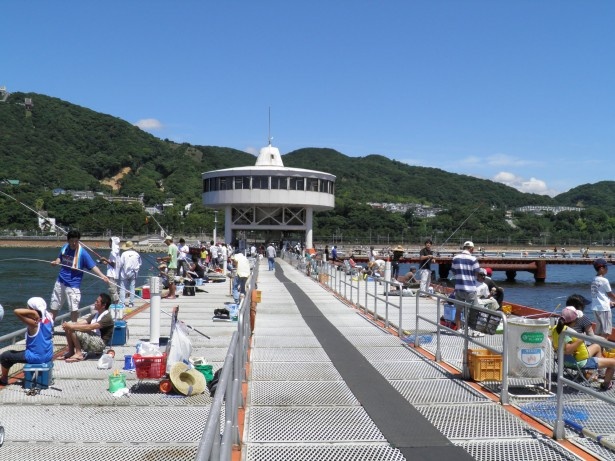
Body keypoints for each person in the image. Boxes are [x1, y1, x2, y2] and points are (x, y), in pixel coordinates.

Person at [50, 229, 109, 322]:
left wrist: (103, 276)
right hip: (60, 281)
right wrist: (56, 262)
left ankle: (73, 327)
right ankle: (50, 327)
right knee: (54, 305)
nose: (74, 243)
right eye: (72, 241)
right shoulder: (65, 247)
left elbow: (93, 266)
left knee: (73, 308)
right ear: (68, 240)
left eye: (76, 241)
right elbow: (60, 258)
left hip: (73, 285)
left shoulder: (83, 253)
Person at [551, 306, 614, 391]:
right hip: (578, 362)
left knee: (597, 346)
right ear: (574, 321)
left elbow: (556, 346)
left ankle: (595, 373)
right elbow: (568, 350)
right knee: (613, 362)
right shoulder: (567, 332)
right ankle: (606, 385)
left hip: (563, 361)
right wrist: (581, 339)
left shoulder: (556, 329)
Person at [1, 297, 54, 385]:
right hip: (48, 355)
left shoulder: (34, 324)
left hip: (36, 356)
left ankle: (3, 378)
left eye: (28, 307)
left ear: (32, 309)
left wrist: (33, 312)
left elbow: (16, 311)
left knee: (5, 356)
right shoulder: (49, 318)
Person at [60, 293, 114, 362]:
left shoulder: (107, 317)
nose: (95, 303)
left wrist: (72, 326)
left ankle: (79, 353)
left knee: (73, 328)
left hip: (100, 343)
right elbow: (82, 322)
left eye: (97, 302)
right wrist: (68, 325)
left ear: (103, 305)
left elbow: (90, 327)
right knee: (69, 328)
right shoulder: (95, 314)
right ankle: (71, 351)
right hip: (93, 338)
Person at [451, 241, 480, 330]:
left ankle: (459, 329)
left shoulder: (455, 258)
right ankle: (472, 329)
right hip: (470, 288)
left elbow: (453, 271)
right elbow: (477, 271)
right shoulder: (473, 259)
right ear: (471, 248)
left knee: (458, 310)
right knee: (474, 310)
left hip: (459, 288)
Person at [590, 258, 615, 339]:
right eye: (606, 267)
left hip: (595, 307)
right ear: (601, 268)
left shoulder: (594, 279)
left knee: (598, 331)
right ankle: (601, 349)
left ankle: (596, 347)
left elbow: (600, 294)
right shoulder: (604, 280)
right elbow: (610, 294)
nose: (607, 269)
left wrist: (610, 302)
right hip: (604, 308)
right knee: (606, 332)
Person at [119, 241, 142, 308]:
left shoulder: (123, 254)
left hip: (125, 273)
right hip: (134, 273)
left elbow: (121, 264)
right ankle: (131, 303)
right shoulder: (137, 254)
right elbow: (140, 263)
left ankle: (122, 303)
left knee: (122, 288)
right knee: (132, 287)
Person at [99, 236, 121, 304]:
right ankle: (115, 303)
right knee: (113, 289)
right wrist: (104, 261)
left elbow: (113, 265)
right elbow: (110, 263)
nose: (108, 243)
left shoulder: (113, 252)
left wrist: (105, 259)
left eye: (109, 242)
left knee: (112, 290)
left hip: (112, 274)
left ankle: (116, 304)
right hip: (113, 273)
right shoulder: (116, 251)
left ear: (112, 242)